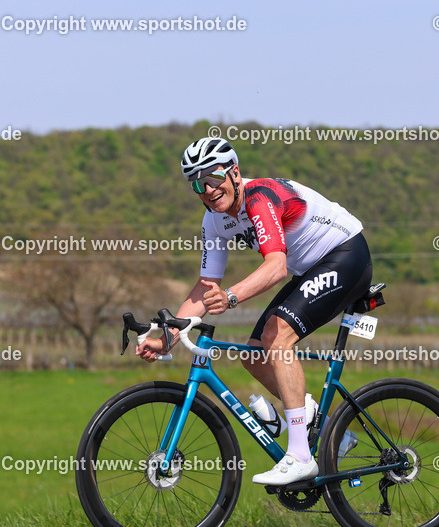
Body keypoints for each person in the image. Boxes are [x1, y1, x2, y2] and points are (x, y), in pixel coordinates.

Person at [136, 137, 372, 485]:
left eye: (214, 178)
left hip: (346, 255)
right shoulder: (214, 220)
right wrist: (166, 339)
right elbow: (205, 287)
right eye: (198, 184)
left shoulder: (259, 197)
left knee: (277, 339)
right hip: (311, 269)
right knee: (255, 354)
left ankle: (300, 456)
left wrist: (231, 297)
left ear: (234, 173)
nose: (208, 189)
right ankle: (323, 427)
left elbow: (276, 267)